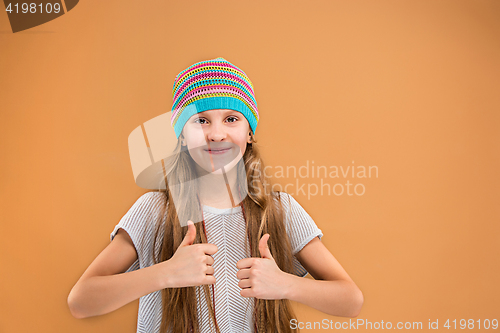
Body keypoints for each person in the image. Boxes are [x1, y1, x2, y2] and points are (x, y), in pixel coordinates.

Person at [67, 57, 363, 333]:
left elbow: (351, 300)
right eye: (201, 120)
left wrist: (285, 284)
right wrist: (167, 273)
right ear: (182, 135)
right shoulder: (154, 210)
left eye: (231, 119)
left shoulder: (279, 209)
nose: (217, 134)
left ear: (249, 133)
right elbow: (80, 302)